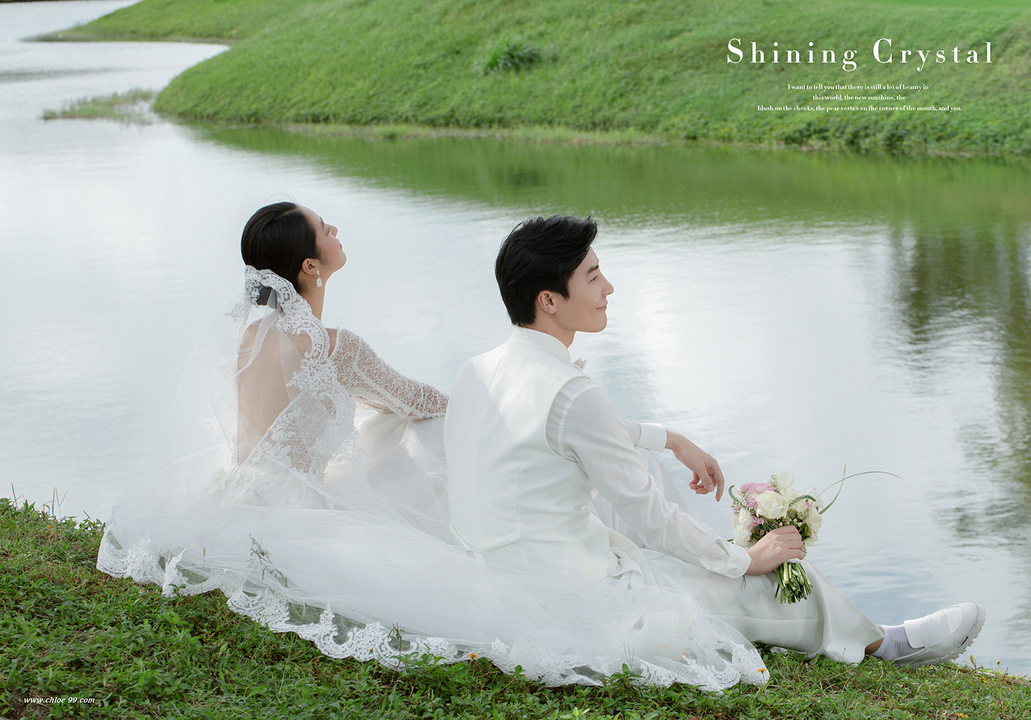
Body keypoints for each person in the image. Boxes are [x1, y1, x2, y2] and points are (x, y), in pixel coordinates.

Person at [97, 202, 766, 692]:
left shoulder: (253, 335)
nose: (336, 229)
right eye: (326, 229)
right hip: (300, 508)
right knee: (429, 429)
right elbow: (419, 400)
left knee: (396, 431)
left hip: (242, 491)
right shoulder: (335, 347)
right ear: (310, 267)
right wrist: (501, 407)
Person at [444, 214, 985, 669]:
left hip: (503, 585)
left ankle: (713, 568)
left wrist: (670, 438)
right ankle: (884, 643)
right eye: (593, 276)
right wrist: (743, 559)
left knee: (645, 466)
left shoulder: (478, 370)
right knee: (755, 582)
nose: (608, 288)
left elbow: (571, 432)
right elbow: (648, 514)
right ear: (549, 300)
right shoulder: (572, 392)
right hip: (575, 600)